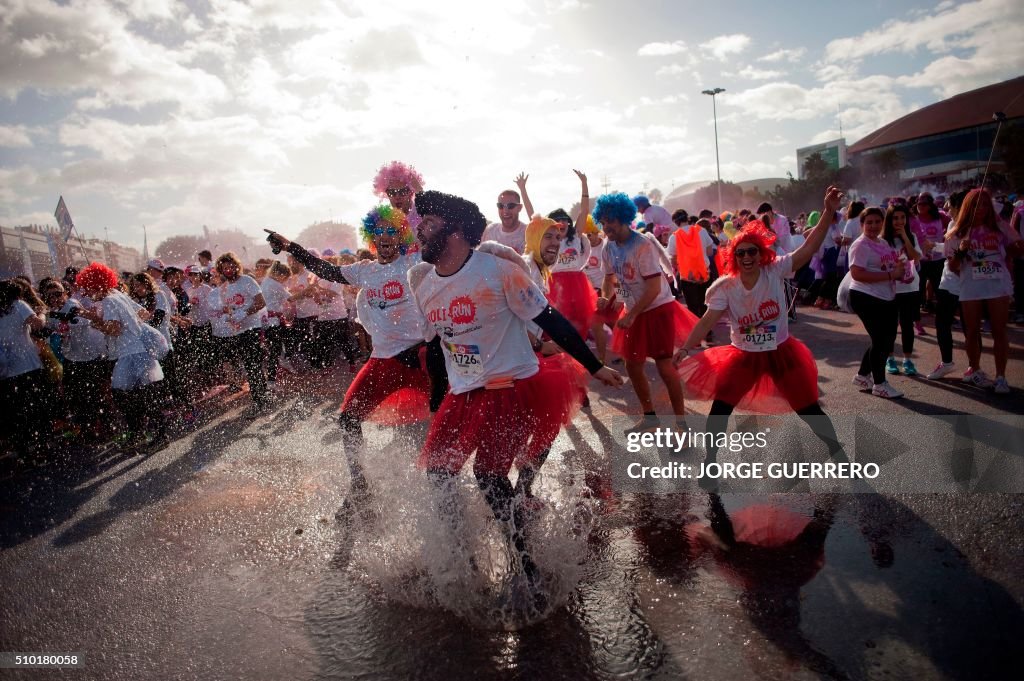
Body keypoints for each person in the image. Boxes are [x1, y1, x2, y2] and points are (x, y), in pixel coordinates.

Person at [408, 189, 622, 601]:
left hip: (513, 388)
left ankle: (526, 566)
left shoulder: (495, 269)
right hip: (465, 393)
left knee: (488, 478)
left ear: (454, 232)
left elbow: (549, 318)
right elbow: (436, 346)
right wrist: (438, 395)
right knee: (438, 474)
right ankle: (461, 560)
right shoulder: (424, 283)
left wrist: (594, 366)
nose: (421, 230)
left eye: (430, 224)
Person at [266, 204, 446, 496]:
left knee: (438, 421)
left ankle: (442, 484)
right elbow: (325, 269)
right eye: (379, 232)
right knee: (348, 419)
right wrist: (291, 246)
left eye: (391, 231)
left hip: (420, 357)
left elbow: (441, 248)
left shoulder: (414, 261)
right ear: (372, 238)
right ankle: (360, 485)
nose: (385, 237)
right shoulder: (364, 271)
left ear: (400, 236)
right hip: (383, 360)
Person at [675, 187, 849, 476]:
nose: (747, 257)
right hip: (744, 355)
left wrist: (829, 212)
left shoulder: (775, 270)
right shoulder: (725, 287)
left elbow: (808, 249)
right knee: (720, 410)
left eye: (752, 251)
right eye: (741, 252)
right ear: (734, 257)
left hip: (781, 351)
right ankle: (710, 464)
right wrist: (685, 347)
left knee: (808, 409)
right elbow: (706, 321)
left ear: (761, 253)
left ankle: (839, 455)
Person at [595, 192, 697, 432]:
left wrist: (631, 314)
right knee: (633, 366)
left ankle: (681, 423)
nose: (606, 226)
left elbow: (653, 287)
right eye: (603, 221)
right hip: (635, 311)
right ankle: (650, 419)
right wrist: (608, 298)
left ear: (623, 218)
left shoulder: (642, 244)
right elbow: (613, 279)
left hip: (657, 308)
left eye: (611, 220)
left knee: (664, 367)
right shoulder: (608, 248)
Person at [76, 263, 168, 450]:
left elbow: (115, 329)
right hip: (138, 349)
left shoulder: (109, 301)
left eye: (87, 288)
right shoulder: (119, 295)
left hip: (131, 353)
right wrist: (133, 326)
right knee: (139, 394)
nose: (86, 293)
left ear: (96, 285)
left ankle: (152, 435)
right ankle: (146, 434)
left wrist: (96, 321)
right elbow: (143, 313)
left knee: (125, 394)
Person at [947, 188, 1022, 393]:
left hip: (997, 284)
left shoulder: (999, 227)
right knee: (971, 331)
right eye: (976, 204)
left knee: (999, 330)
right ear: (968, 207)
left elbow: (1017, 250)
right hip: (971, 285)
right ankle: (975, 369)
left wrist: (1014, 243)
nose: (981, 208)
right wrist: (961, 251)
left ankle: (1001, 377)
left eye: (985, 204)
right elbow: (953, 267)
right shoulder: (957, 232)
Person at [848, 207, 906, 399]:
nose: (873, 226)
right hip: (865, 297)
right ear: (862, 225)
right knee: (881, 341)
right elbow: (857, 273)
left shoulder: (882, 242)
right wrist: (891, 274)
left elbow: (889, 265)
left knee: (884, 340)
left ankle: (863, 375)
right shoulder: (860, 245)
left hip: (885, 296)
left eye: (877, 222)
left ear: (883, 223)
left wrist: (901, 271)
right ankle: (880, 384)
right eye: (869, 222)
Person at [214, 252, 269, 416]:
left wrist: (245, 313)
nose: (229, 270)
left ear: (237, 266)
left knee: (253, 365)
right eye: (225, 268)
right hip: (236, 331)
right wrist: (227, 316)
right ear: (221, 270)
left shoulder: (247, 280)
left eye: (231, 266)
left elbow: (261, 302)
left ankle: (260, 400)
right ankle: (261, 397)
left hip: (251, 328)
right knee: (248, 365)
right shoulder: (223, 288)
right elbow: (228, 309)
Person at [0, 279, 47, 452]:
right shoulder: (18, 304)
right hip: (28, 366)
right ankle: (41, 448)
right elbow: (37, 325)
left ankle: (23, 450)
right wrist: (42, 314)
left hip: (6, 370)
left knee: (17, 413)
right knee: (36, 408)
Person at [928, 191, 967, 380]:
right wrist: (934, 246)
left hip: (969, 284)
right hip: (949, 282)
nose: (947, 210)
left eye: (950, 207)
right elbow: (948, 251)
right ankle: (947, 362)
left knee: (971, 327)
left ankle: (974, 367)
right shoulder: (952, 224)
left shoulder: (974, 228)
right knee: (942, 322)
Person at [883, 204, 923, 376]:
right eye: (895, 218)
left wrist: (906, 238)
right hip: (890, 287)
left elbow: (916, 257)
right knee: (890, 325)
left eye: (902, 218)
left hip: (910, 287)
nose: (899, 221)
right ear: (889, 220)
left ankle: (907, 360)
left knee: (907, 325)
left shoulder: (912, 236)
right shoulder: (882, 240)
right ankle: (890, 358)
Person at [481, 181, 528, 253]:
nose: (505, 211)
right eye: (500, 206)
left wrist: (523, 189)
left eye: (510, 206)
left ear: (520, 208)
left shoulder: (527, 233)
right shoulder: (490, 231)